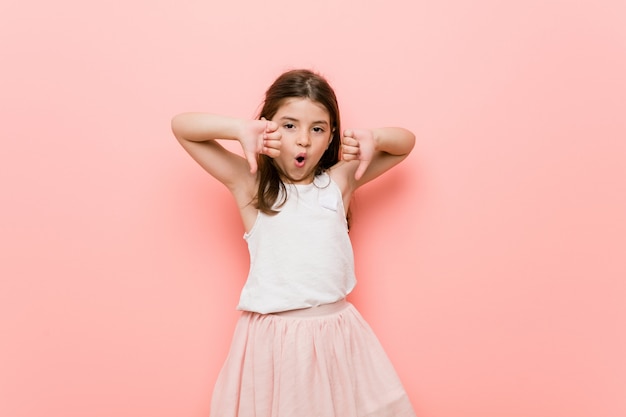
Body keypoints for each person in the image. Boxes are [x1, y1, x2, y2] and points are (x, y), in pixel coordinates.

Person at [171, 69, 417, 417]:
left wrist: (373, 137)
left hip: (338, 335)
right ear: (267, 129)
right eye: (289, 126)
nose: (303, 140)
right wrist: (239, 130)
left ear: (331, 136)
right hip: (274, 342)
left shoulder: (339, 180)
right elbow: (183, 127)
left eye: (317, 129)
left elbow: (404, 144)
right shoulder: (251, 185)